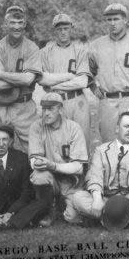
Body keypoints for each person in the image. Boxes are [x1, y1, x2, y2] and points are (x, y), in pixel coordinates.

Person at [68, 111, 129, 228]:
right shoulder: (101, 150)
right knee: (78, 197)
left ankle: (102, 219)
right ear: (117, 128)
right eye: (126, 126)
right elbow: (95, 175)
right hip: (106, 199)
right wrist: (96, 199)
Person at [88, 3, 129, 144]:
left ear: (125, 20)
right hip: (107, 101)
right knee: (109, 144)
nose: (112, 23)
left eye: (116, 19)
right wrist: (93, 86)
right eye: (109, 20)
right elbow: (87, 70)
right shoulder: (96, 46)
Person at [28, 92, 89, 226]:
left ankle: (63, 203)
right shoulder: (37, 126)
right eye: (44, 109)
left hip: (71, 181)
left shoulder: (73, 128)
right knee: (39, 176)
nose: (46, 113)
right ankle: (50, 209)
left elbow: (78, 167)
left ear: (61, 110)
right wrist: (39, 163)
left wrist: (53, 165)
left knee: (72, 218)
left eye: (51, 109)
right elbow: (34, 161)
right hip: (50, 178)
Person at [0, 6, 42, 152]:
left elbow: (28, 79)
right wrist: (19, 79)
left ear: (24, 24)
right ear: (5, 25)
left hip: (24, 106)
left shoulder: (32, 48)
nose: (16, 27)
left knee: (33, 150)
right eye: (12, 22)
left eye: (20, 22)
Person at [0, 125, 45, 235]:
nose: (1, 144)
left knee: (42, 202)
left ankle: (6, 223)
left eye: (5, 139)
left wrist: (10, 212)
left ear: (11, 141)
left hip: (15, 209)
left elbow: (27, 191)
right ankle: (2, 223)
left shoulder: (21, 158)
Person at [39, 14, 92, 145]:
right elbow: (42, 80)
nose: (63, 32)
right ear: (54, 30)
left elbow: (83, 81)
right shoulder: (45, 52)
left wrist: (54, 84)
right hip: (54, 101)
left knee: (80, 141)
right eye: (59, 29)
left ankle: (82, 166)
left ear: (71, 29)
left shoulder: (80, 51)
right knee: (56, 143)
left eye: (66, 28)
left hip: (77, 101)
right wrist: (70, 77)